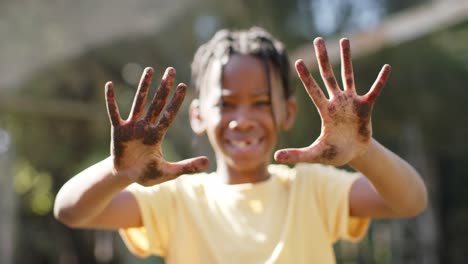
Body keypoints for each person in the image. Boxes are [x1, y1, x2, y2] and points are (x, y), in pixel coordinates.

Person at [54, 27, 428, 263]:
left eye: (261, 103)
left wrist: (364, 152)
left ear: (288, 112)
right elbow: (71, 211)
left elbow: (410, 201)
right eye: (227, 104)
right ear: (198, 115)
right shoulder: (177, 198)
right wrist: (119, 172)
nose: (243, 118)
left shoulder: (312, 189)